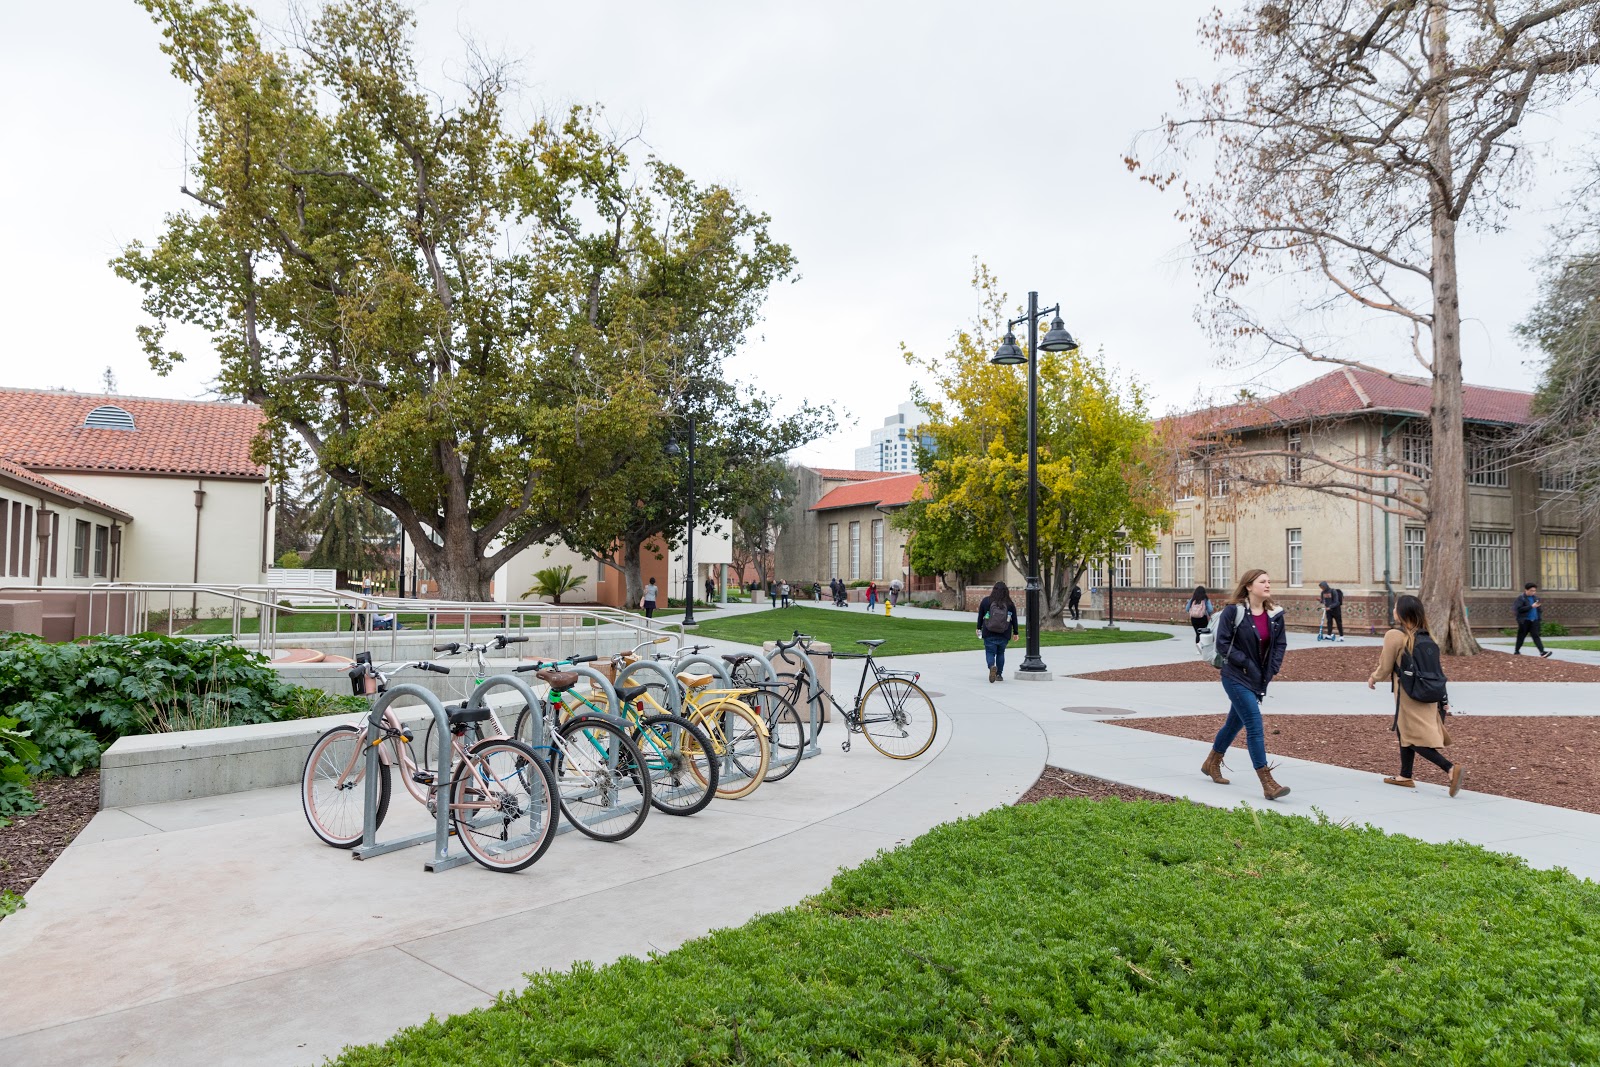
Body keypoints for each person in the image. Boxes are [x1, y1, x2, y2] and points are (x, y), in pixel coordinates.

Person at [1198, 568, 1292, 800]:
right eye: (1263, 581)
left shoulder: (1275, 615)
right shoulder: (1234, 611)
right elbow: (1223, 644)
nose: (1268, 585)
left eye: (1269, 581)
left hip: (1258, 679)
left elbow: (1280, 645)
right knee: (1254, 723)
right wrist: (1248, 664)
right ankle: (1267, 782)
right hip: (1235, 676)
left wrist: (1271, 669)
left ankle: (1211, 762)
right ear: (1249, 586)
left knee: (1233, 724)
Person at [1368, 594, 1466, 795]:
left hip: (1408, 695)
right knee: (1405, 731)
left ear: (1402, 613)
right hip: (1429, 694)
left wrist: (1373, 678)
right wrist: (1444, 699)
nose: (1394, 610)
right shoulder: (1427, 636)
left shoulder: (1395, 635)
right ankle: (1405, 775)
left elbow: (1385, 666)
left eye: (1395, 607)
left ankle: (1449, 768)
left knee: (1412, 737)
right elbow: (1437, 671)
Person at [976, 581, 1019, 683]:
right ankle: (999, 674)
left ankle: (991, 666)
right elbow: (1014, 619)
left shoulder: (986, 601)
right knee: (1001, 653)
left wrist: (978, 628)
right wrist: (1016, 632)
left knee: (990, 652)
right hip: (1004, 633)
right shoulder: (1009, 604)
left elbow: (980, 615)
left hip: (989, 632)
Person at [1514, 582, 1552, 657]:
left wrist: (1538, 617)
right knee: (1521, 636)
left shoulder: (1536, 598)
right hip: (1524, 621)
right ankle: (1517, 651)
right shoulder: (1521, 598)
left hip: (1534, 620)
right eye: (1531, 590)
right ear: (1526, 590)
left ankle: (1542, 652)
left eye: (1534, 591)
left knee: (1536, 636)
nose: (1533, 592)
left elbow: (1539, 609)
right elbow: (1519, 609)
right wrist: (1531, 606)